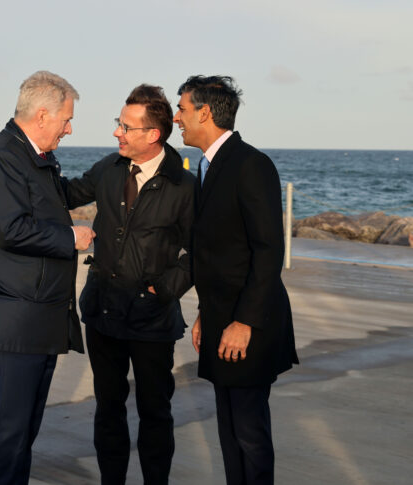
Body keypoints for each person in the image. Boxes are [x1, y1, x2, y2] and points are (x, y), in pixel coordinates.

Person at [0, 70, 95, 485]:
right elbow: (12, 229)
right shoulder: (2, 157)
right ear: (43, 114)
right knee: (9, 431)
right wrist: (70, 237)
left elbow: (57, 198)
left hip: (39, 314)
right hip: (15, 316)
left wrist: (116, 166)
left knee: (24, 431)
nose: (69, 128)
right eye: (66, 119)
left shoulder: (33, 156)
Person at [64, 84, 196, 484]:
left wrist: (163, 290)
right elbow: (67, 192)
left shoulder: (183, 186)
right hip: (104, 312)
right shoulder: (110, 167)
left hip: (152, 320)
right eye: (118, 124)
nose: (117, 132)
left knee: (155, 412)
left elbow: (199, 252)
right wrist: (29, 162)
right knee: (108, 409)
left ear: (152, 135)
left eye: (125, 126)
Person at [173, 75, 299, 485]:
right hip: (220, 319)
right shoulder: (208, 167)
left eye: (182, 109)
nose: (177, 118)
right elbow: (215, 253)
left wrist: (243, 322)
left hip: (250, 324)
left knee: (248, 432)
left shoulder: (251, 164)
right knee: (228, 429)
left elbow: (268, 251)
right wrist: (205, 315)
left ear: (204, 112)